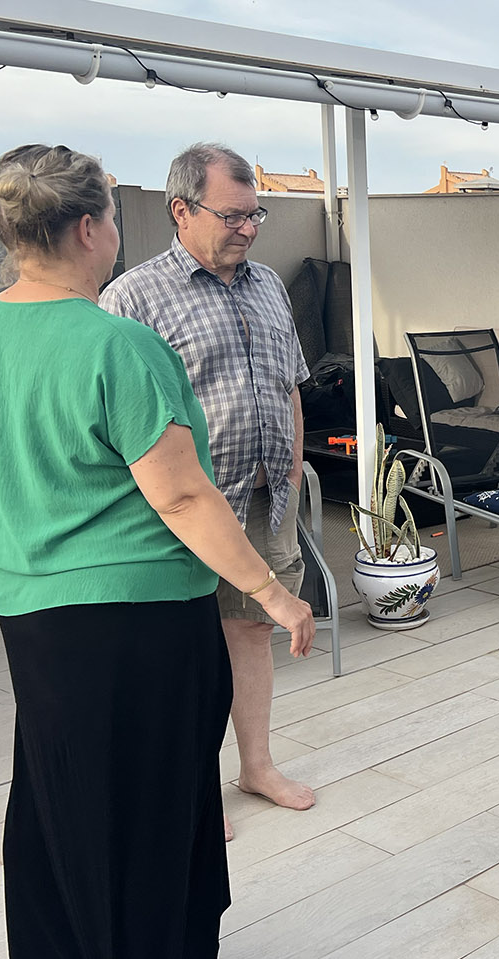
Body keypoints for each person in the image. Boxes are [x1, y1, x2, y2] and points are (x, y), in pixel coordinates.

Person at [0, 144, 315, 959]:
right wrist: (273, 592)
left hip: (29, 609)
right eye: (113, 214)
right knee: (151, 811)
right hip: (135, 614)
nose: (119, 229)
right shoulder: (119, 344)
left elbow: (0, 457)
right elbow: (183, 497)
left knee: (63, 798)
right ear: (87, 228)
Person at [101, 143, 315, 841]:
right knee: (185, 650)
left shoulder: (267, 284)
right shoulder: (132, 298)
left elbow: (289, 382)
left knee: (251, 630)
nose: (249, 228)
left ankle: (256, 767)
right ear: (181, 210)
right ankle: (192, 788)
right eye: (233, 215)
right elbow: (119, 418)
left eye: (256, 215)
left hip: (266, 496)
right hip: (183, 510)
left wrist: (292, 468)